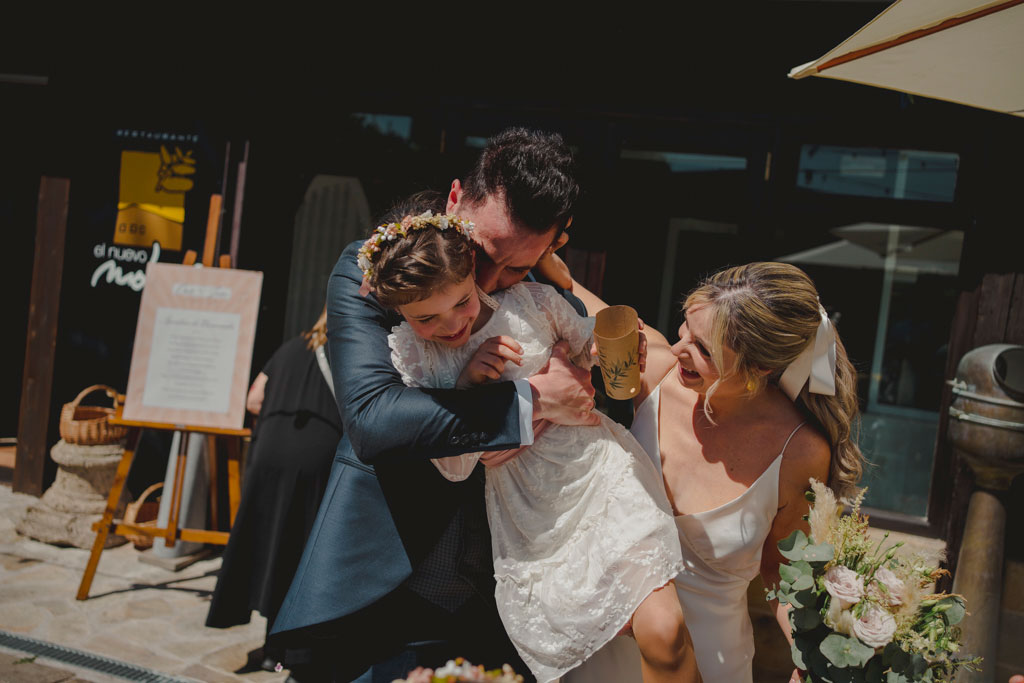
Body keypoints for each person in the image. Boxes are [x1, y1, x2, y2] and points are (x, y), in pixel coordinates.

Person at [271, 129, 604, 683]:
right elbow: (374, 418)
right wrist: (532, 401)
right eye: (483, 255)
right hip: (392, 567)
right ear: (455, 201)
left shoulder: (545, 290)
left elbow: (597, 374)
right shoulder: (375, 271)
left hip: (514, 578)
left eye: (518, 269)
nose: (491, 286)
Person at [361, 210, 700, 683]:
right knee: (602, 648)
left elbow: (583, 346)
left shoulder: (532, 302)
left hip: (602, 473)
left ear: (471, 274)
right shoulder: (416, 356)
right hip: (531, 516)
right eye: (426, 317)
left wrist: (604, 349)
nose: (452, 324)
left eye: (460, 302)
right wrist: (467, 386)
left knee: (664, 629)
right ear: (399, 312)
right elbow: (455, 469)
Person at [565, 262, 864, 683]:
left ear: (760, 367)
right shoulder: (654, 372)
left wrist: (814, 659)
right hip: (601, 649)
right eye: (684, 328)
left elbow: (782, 571)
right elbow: (558, 280)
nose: (678, 349)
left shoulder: (798, 451)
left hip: (711, 663)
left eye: (703, 349)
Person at [205, 309, 340, 681]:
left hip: (268, 461)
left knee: (270, 550)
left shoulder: (290, 348)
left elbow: (253, 399)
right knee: (300, 555)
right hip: (316, 464)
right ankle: (294, 653)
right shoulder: (352, 353)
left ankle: (271, 651)